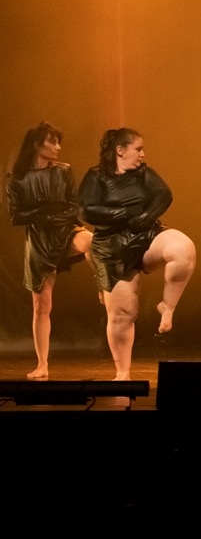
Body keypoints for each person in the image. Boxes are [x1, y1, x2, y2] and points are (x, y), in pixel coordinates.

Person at [78, 128, 197, 380]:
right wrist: (125, 213)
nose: (143, 154)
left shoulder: (144, 173)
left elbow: (164, 195)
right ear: (120, 150)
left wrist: (144, 217)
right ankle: (123, 374)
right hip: (111, 246)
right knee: (123, 314)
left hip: (145, 235)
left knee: (183, 248)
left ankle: (167, 306)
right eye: (138, 149)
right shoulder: (96, 176)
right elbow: (87, 210)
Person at [5, 122, 92, 379]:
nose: (58, 147)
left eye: (58, 142)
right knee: (41, 305)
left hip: (65, 229)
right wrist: (43, 214)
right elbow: (15, 216)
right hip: (39, 240)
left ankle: (105, 285)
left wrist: (58, 218)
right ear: (36, 144)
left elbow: (75, 206)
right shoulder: (17, 178)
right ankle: (42, 364)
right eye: (52, 142)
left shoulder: (63, 171)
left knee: (92, 242)